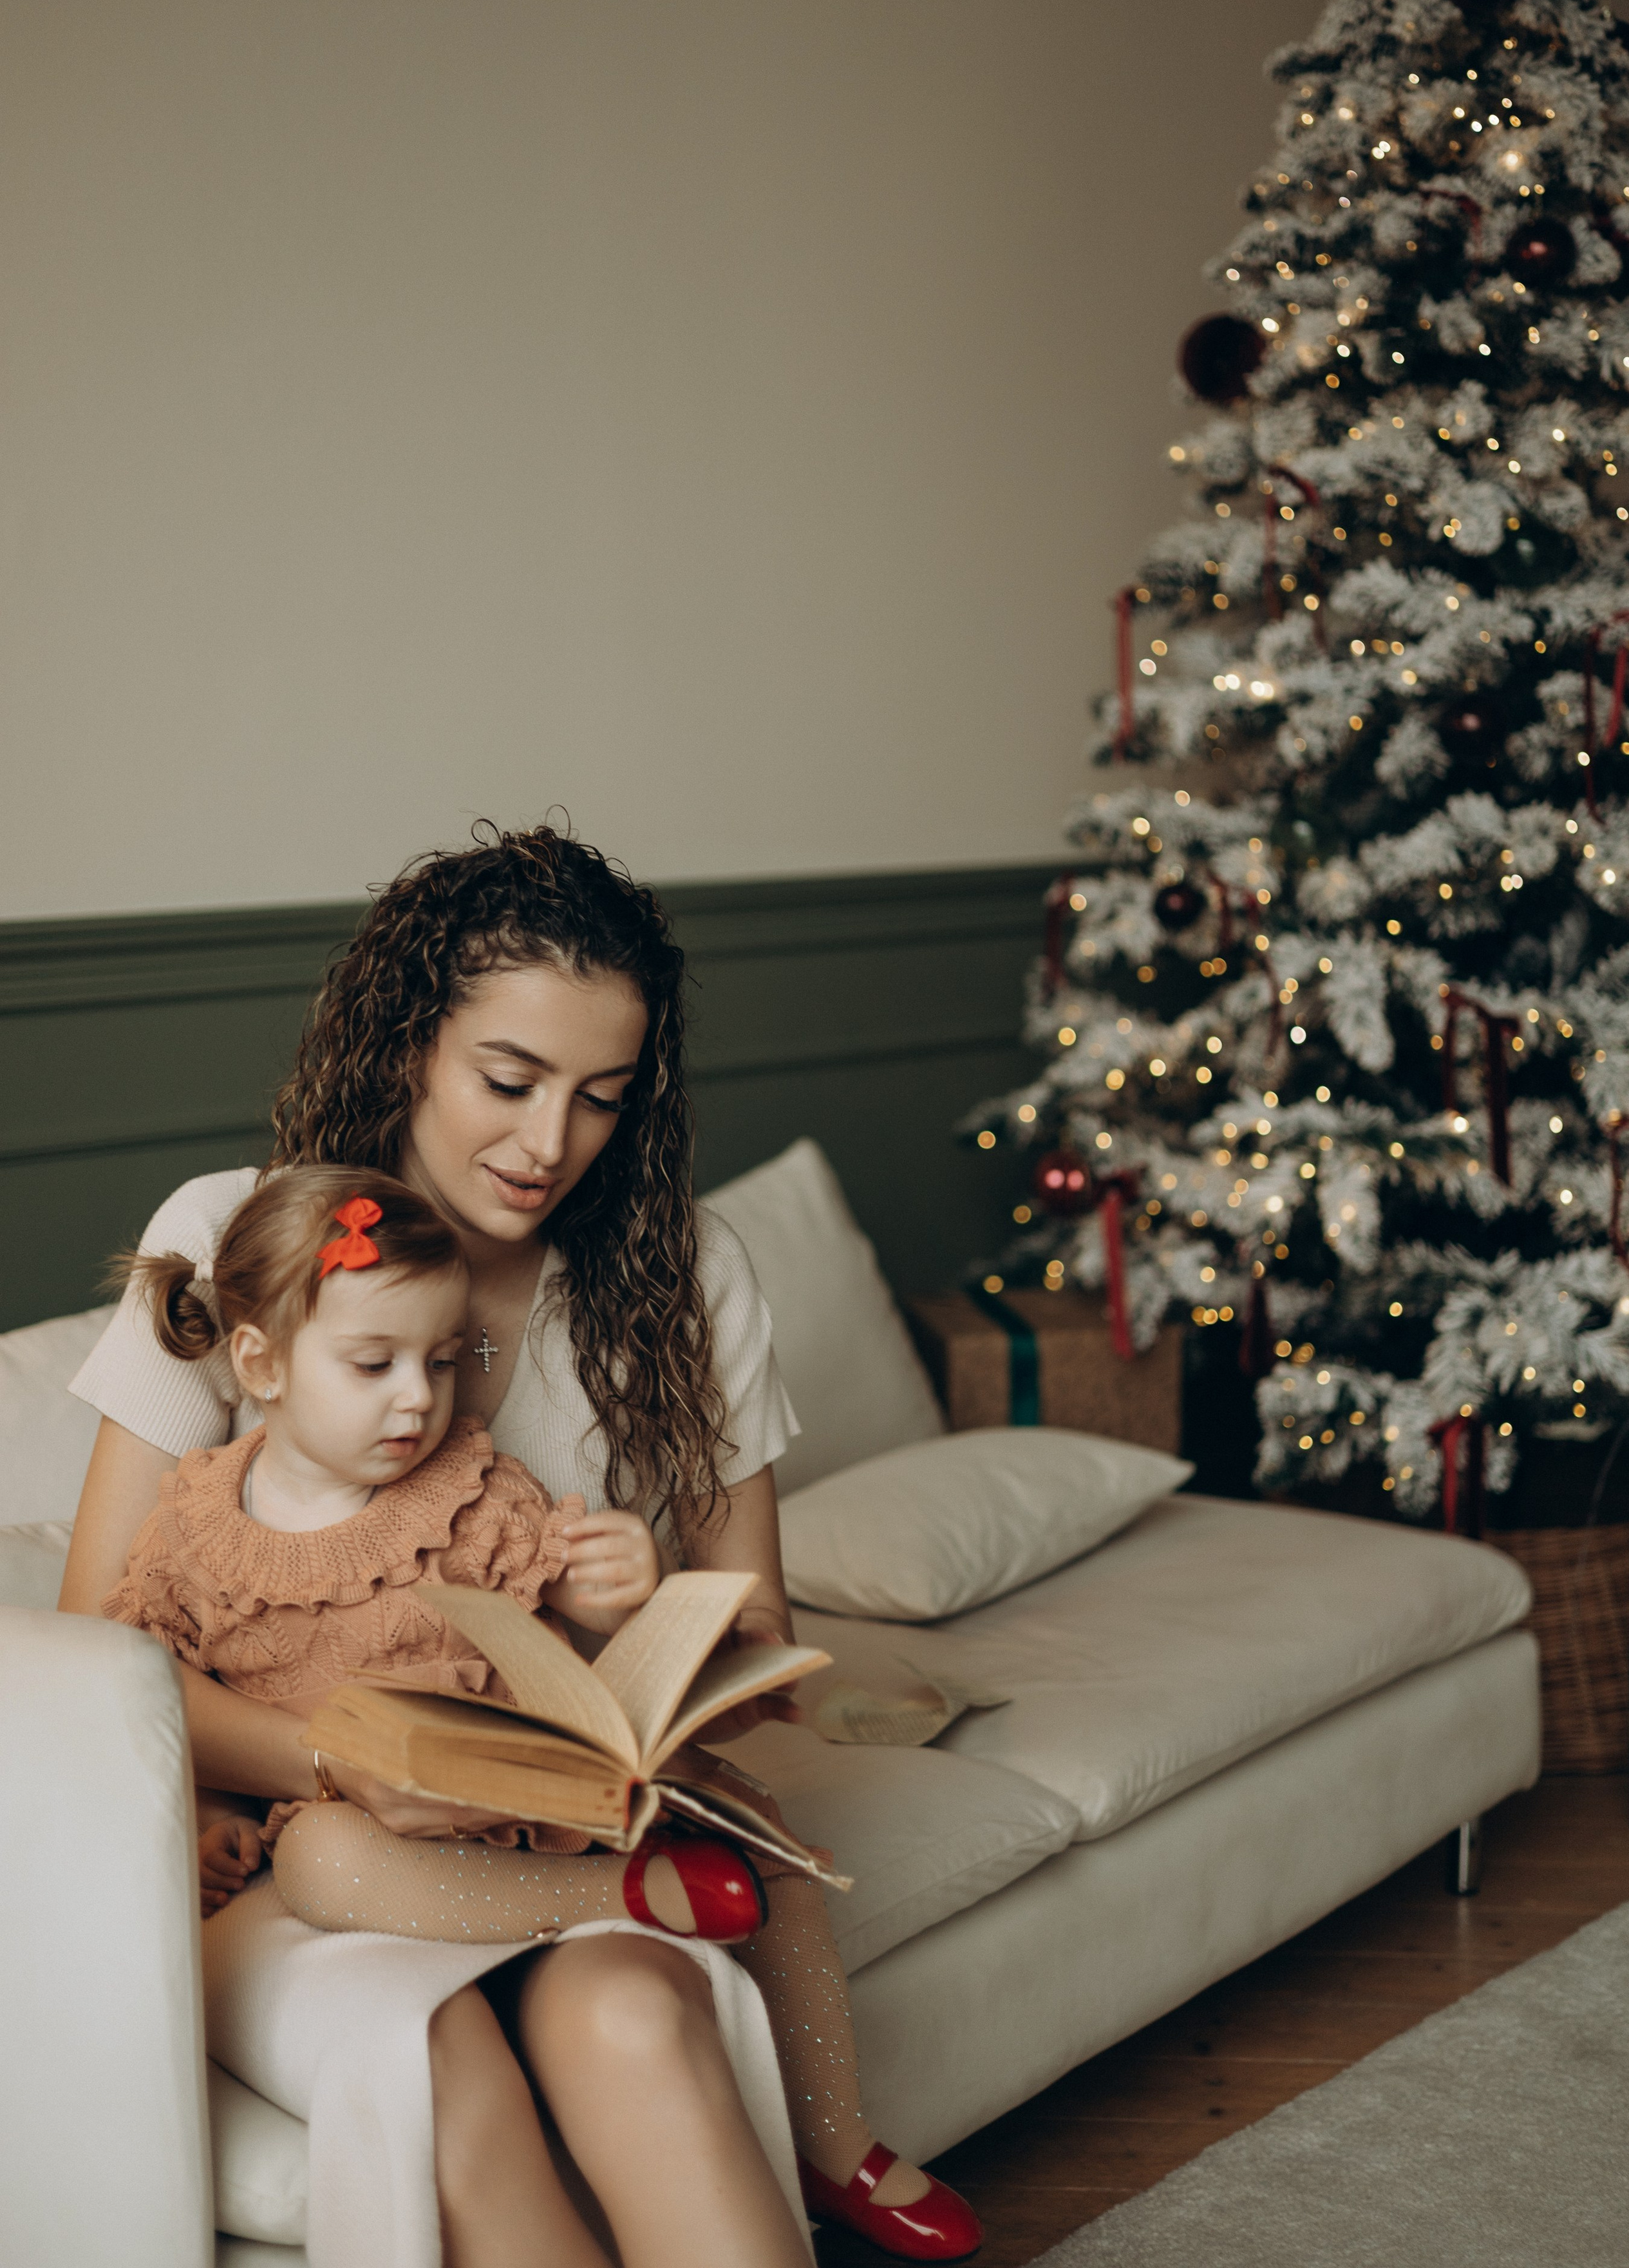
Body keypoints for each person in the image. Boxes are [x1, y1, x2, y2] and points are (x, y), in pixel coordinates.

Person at [61, 822, 981, 2268]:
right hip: (293, 1857)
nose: (548, 1144)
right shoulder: (244, 1236)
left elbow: (744, 1637)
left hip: (552, 1839)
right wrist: (348, 1763)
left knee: (636, 2016)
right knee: (444, 2075)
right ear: (409, 1042)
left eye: (601, 1098)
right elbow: (96, 1671)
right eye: (508, 1080)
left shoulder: (686, 1279)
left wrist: (638, 1609)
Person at [105, 1161, 775, 1968]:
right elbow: (159, 1692)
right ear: (259, 1364)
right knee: (320, 1859)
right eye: (374, 1364)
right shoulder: (194, 1529)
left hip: (518, 1798)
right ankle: (636, 1893)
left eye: (443, 1360)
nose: (420, 1397)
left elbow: (577, 1597)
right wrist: (218, 1819)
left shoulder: (468, 1487)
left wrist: (633, 1583)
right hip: (372, 1838)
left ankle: (656, 1868)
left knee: (713, 1791)